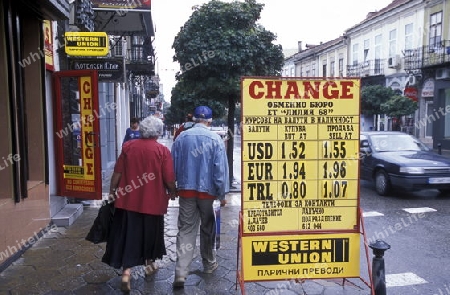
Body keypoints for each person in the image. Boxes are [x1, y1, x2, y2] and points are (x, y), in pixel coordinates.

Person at [102, 116, 177, 293]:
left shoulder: (128, 147)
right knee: (151, 233)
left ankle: (126, 274)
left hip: (128, 201)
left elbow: (117, 172)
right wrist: (173, 191)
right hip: (153, 202)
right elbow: (168, 177)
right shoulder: (162, 151)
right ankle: (149, 265)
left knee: (129, 235)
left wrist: (112, 191)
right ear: (158, 132)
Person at [171, 105, 229, 288]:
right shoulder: (215, 139)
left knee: (186, 229)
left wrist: (172, 187)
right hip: (208, 193)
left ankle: (181, 272)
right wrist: (222, 194)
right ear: (210, 121)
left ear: (193, 119)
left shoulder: (181, 138)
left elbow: (171, 165)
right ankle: (209, 264)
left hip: (186, 191)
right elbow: (220, 171)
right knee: (207, 227)